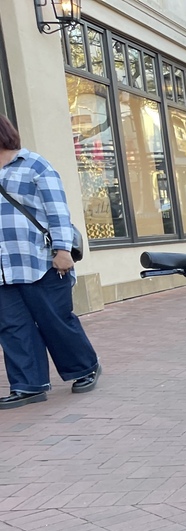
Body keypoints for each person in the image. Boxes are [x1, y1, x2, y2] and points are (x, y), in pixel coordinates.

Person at [0, 114, 101, 409]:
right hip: (4, 267)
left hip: (40, 259)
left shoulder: (33, 164)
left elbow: (57, 211)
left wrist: (62, 250)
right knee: (11, 326)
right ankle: (28, 385)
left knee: (54, 319)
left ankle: (85, 368)